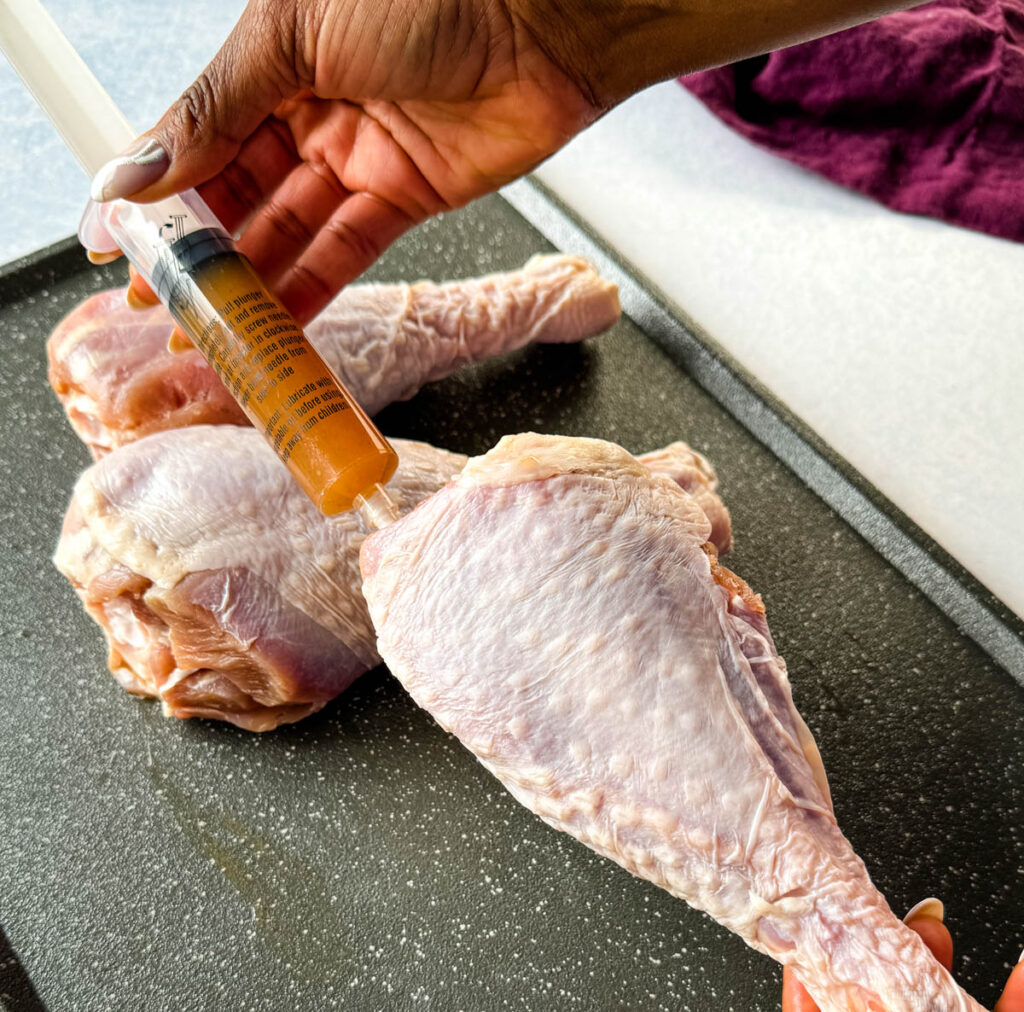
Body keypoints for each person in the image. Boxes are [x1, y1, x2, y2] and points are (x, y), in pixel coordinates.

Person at [87, 3, 1023, 1005]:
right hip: (490, 566)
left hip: (491, 575)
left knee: (812, 896)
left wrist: (534, 26)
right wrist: (535, 27)